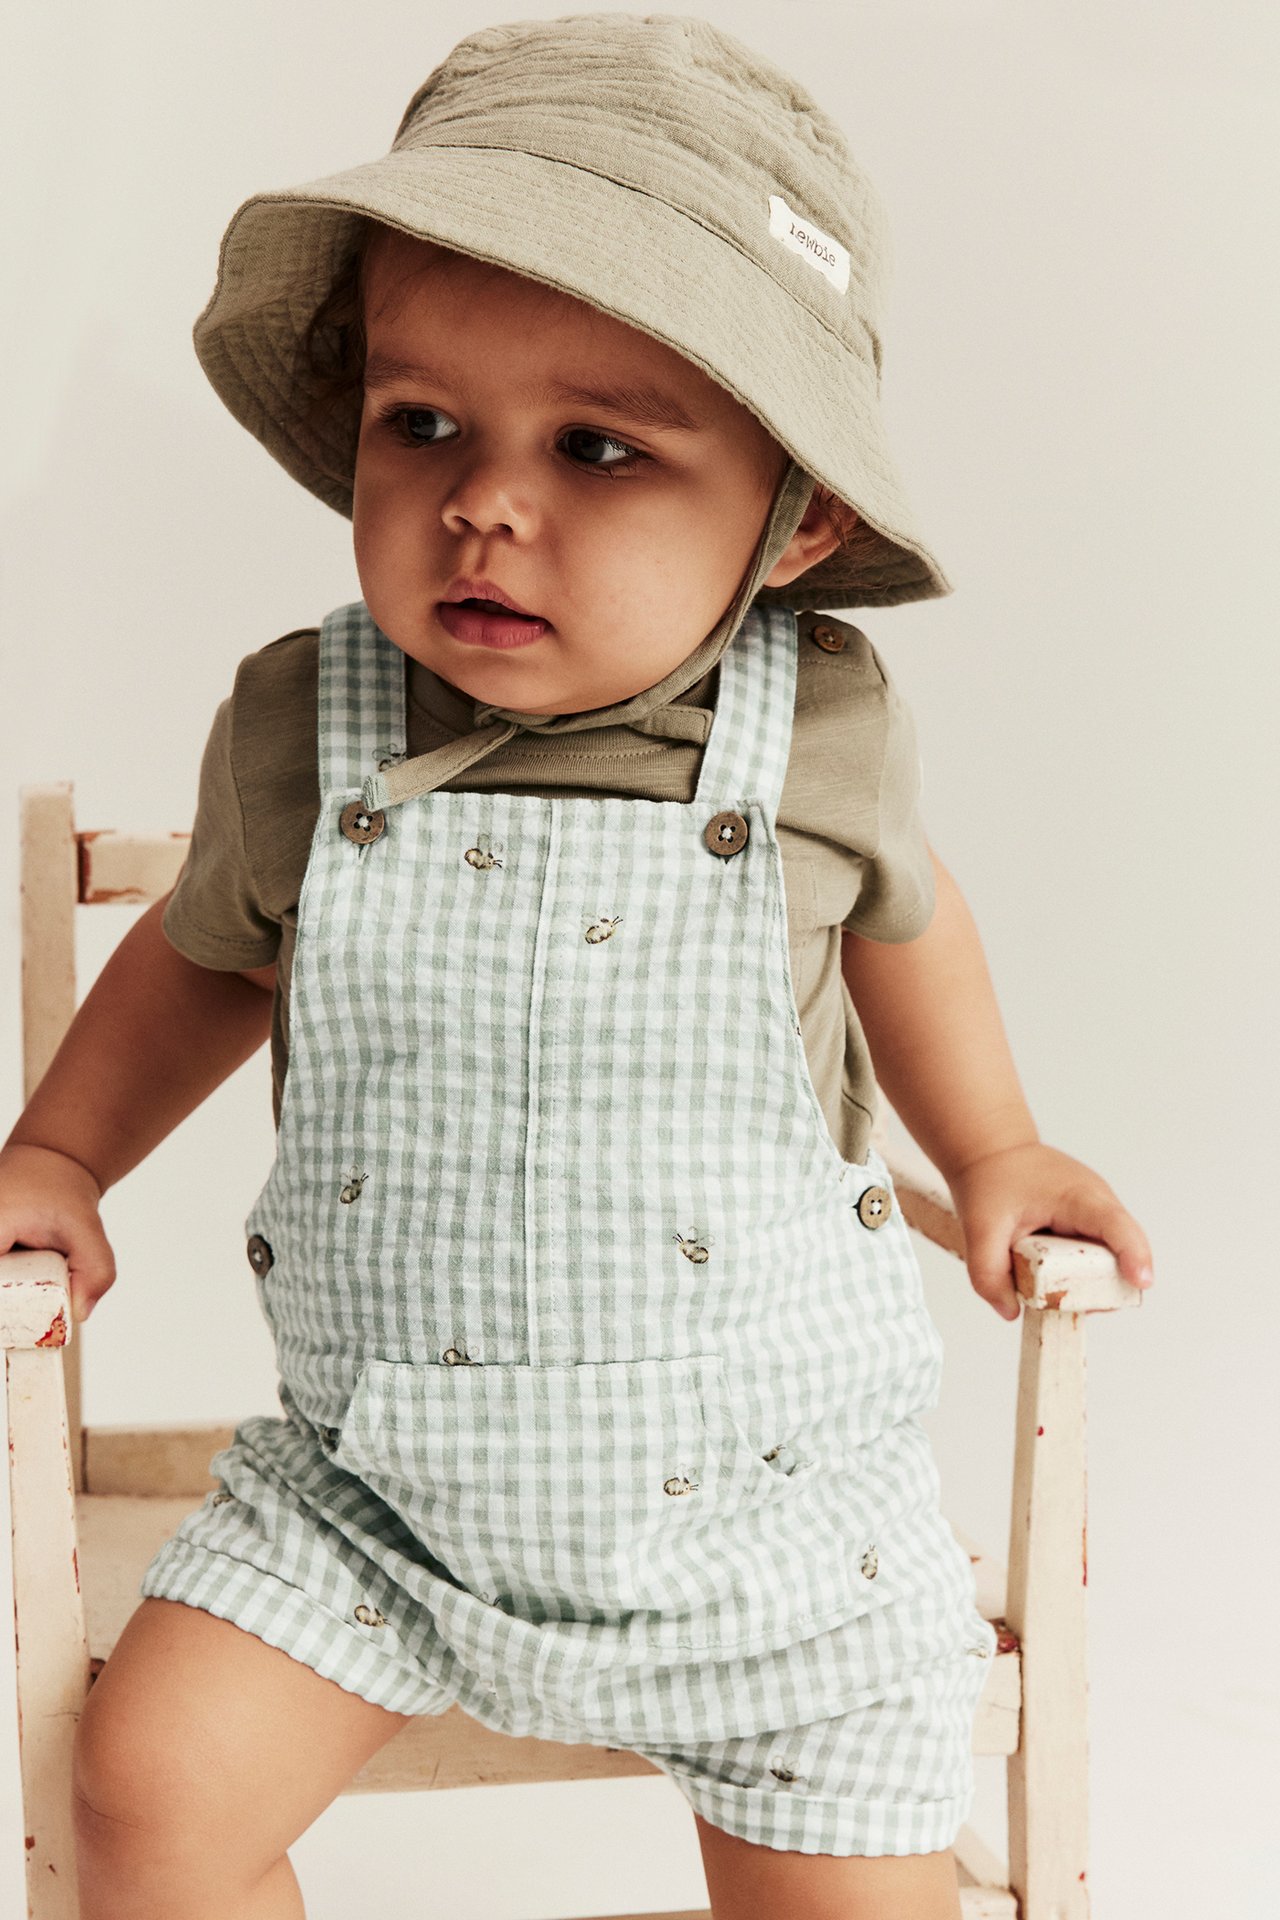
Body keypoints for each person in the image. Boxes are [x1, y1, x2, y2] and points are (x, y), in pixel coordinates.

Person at [0, 14, 1154, 1918]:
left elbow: (908, 921)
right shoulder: (310, 725)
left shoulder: (827, 731)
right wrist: (60, 1152)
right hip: (378, 1498)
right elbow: (209, 960)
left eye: (602, 447)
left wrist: (1003, 1145)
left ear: (801, 519)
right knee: (146, 1789)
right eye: (422, 423)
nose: (486, 503)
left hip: (772, 1518)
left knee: (857, 1896)